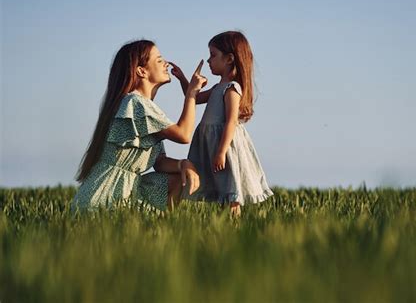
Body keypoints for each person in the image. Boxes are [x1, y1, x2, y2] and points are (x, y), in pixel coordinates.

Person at [71, 39, 207, 212]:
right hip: (105, 196)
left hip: (126, 189)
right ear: (141, 71)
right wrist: (191, 94)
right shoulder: (135, 103)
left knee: (175, 179)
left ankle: (168, 228)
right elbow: (184, 134)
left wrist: (183, 164)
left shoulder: (142, 106)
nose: (166, 63)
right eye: (159, 60)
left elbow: (159, 162)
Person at [170, 31, 273, 216]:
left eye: (213, 55)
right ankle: (224, 227)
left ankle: (234, 227)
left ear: (229, 59)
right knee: (221, 191)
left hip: (226, 146)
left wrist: (221, 151)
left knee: (231, 192)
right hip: (212, 144)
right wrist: (183, 79)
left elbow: (231, 122)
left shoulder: (232, 89)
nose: (209, 60)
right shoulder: (218, 87)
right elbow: (195, 96)